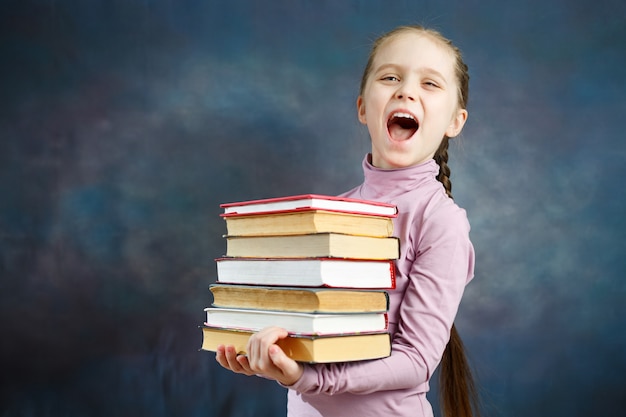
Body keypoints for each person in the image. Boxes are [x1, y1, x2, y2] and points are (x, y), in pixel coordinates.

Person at [215, 25, 480, 417]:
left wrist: (310, 378)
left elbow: (415, 360)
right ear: (362, 107)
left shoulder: (441, 222)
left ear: (454, 122)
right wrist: (262, 349)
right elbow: (305, 334)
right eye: (390, 77)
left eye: (430, 83)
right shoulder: (328, 215)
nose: (406, 91)